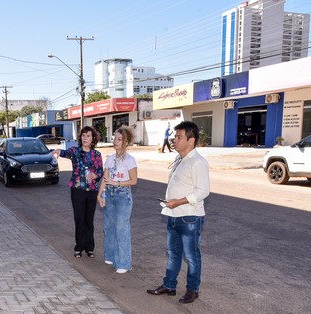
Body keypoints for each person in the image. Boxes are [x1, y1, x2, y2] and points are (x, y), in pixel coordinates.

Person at [147, 121, 210, 304]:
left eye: (179, 137)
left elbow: (203, 191)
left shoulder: (198, 162)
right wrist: (171, 203)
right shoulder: (179, 160)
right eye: (175, 136)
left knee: (191, 255)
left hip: (190, 216)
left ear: (191, 140)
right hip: (173, 214)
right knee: (172, 253)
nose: (174, 140)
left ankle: (192, 290)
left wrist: (179, 202)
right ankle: (169, 285)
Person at [52, 126, 104, 258]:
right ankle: (79, 247)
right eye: (83, 135)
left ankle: (89, 247)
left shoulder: (97, 154)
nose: (85, 138)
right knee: (79, 218)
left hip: (92, 190)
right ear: (80, 137)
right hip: (77, 190)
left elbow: (100, 171)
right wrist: (58, 150)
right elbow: (65, 152)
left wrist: (95, 175)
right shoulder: (75, 151)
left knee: (89, 220)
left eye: (88, 136)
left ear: (93, 139)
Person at [97, 126, 138, 273]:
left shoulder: (130, 160)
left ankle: (124, 263)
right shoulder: (110, 159)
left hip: (122, 195)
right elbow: (105, 178)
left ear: (126, 142)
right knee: (108, 227)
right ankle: (110, 256)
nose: (116, 141)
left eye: (119, 139)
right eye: (115, 138)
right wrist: (99, 194)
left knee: (121, 228)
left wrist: (117, 183)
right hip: (110, 194)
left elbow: (134, 181)